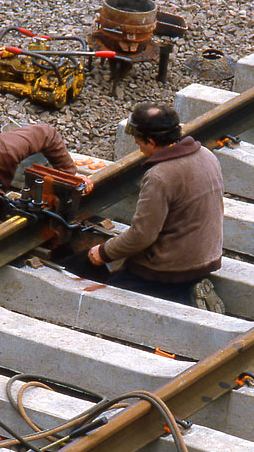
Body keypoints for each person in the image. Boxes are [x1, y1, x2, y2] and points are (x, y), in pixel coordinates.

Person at [74, 103, 225, 312]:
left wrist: (104, 251)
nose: (140, 149)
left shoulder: (160, 176)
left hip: (170, 269)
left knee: (106, 299)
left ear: (151, 141)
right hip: (207, 258)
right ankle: (189, 287)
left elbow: (142, 236)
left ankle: (183, 295)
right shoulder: (207, 155)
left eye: (139, 144)